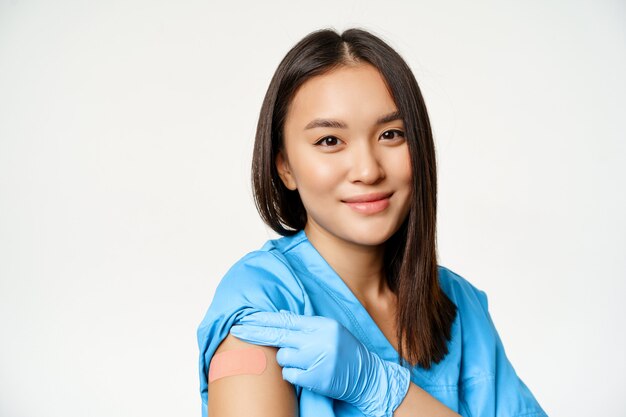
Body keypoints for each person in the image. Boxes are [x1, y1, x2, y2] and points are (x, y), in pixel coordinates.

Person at [197, 27, 548, 417]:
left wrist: (382, 389)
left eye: (392, 134)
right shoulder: (262, 301)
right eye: (329, 140)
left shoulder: (459, 305)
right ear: (284, 167)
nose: (367, 170)